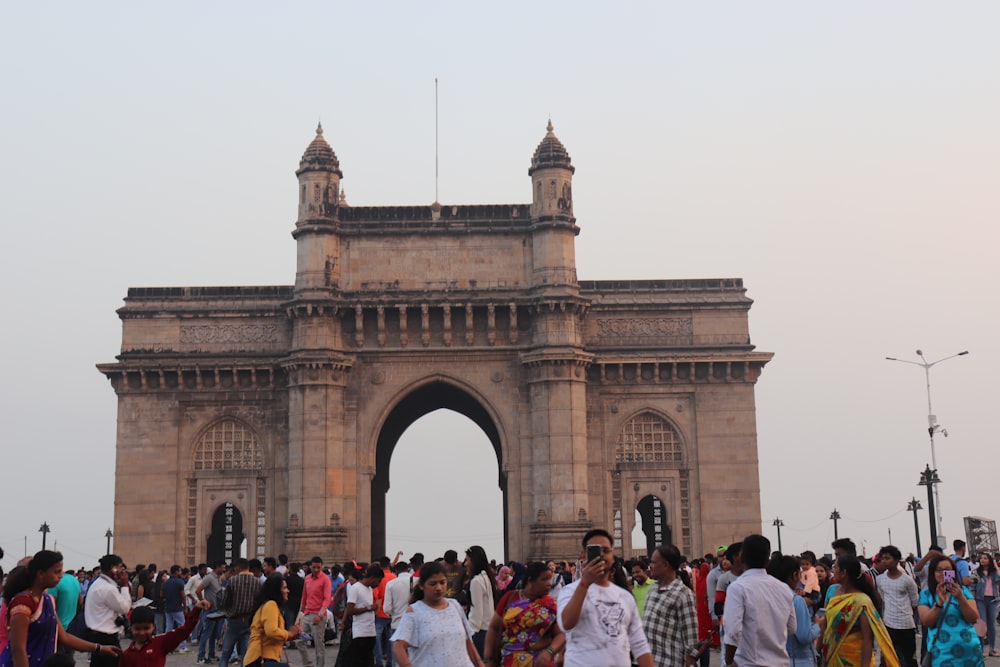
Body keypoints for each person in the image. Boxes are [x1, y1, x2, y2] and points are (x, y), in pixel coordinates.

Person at [1, 550, 121, 667]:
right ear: (41, 574)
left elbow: (64, 637)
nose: (61, 575)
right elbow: (18, 649)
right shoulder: (23, 603)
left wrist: (99, 648)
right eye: (56, 572)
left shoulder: (47, 600)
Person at [557, 529, 653, 667]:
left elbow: (640, 644)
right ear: (584, 555)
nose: (601, 554)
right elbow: (566, 624)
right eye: (595, 550)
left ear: (613, 556)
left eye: (606, 550)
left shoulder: (625, 597)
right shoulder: (569, 591)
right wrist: (585, 583)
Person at [391, 562, 484, 667]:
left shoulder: (455, 606)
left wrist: (480, 663)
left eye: (442, 582)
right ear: (422, 585)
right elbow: (398, 647)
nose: (439, 588)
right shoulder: (414, 612)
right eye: (433, 584)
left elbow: (468, 642)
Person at [722, 534, 795, 667]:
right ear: (767, 560)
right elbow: (792, 628)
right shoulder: (784, 588)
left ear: (742, 557)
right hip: (780, 663)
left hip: (749, 662)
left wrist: (729, 662)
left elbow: (733, 631)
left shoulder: (738, 587)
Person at [819, 555, 899, 667]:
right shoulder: (833, 591)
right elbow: (827, 625)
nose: (833, 570)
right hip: (830, 658)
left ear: (844, 572)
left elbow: (867, 640)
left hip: (853, 659)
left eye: (835, 567)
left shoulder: (862, 602)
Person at [484, 561, 564, 667]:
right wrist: (488, 659)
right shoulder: (510, 598)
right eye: (544, 579)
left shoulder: (551, 604)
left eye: (549, 579)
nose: (549, 583)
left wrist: (549, 652)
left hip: (540, 662)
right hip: (510, 661)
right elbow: (493, 628)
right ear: (530, 581)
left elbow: (561, 634)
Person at [917, 555, 983, 667]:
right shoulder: (926, 594)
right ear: (932, 572)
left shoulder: (963, 591)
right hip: (942, 654)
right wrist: (939, 603)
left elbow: (973, 618)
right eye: (939, 570)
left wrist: (960, 598)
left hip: (970, 653)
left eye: (948, 570)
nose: (943, 573)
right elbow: (926, 622)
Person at [641, 544, 700, 667]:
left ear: (665, 565)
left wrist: (689, 662)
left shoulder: (683, 594)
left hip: (669, 662)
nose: (650, 566)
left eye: (653, 562)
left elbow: (691, 637)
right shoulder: (652, 589)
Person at [120, 599, 210, 667]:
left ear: (153, 626)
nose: (142, 632)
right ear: (130, 628)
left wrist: (196, 610)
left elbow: (184, 631)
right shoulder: (126, 655)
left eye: (146, 628)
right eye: (137, 629)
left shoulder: (160, 643)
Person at [766, 555, 819, 667]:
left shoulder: (766, 597)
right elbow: (804, 636)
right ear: (795, 575)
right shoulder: (796, 600)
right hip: (798, 659)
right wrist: (818, 625)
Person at [83, 553, 133, 667]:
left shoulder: (98, 584)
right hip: (106, 637)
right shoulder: (108, 589)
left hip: (97, 635)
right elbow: (125, 607)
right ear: (113, 569)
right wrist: (125, 586)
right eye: (120, 567)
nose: (122, 571)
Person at [242, 575, 301, 667]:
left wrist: (292, 635)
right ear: (277, 590)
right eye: (284, 588)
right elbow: (271, 631)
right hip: (260, 658)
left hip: (264, 658)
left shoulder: (271, 605)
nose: (287, 591)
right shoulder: (271, 605)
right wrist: (289, 634)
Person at [875, 546, 919, 667]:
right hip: (889, 624)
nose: (884, 561)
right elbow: (883, 599)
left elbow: (915, 602)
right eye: (882, 558)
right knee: (888, 657)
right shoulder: (880, 580)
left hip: (906, 625)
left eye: (887, 558)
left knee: (910, 658)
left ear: (896, 560)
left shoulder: (907, 581)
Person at [218, 558, 264, 667]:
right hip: (250, 621)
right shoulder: (259, 582)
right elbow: (260, 602)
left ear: (238, 568)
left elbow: (225, 601)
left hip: (234, 620)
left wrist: (227, 611)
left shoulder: (232, 581)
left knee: (226, 653)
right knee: (246, 654)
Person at [343, 564, 383, 667]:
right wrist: (368, 608)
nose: (378, 584)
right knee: (358, 662)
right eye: (378, 581)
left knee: (369, 661)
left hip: (370, 631)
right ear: (373, 578)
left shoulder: (370, 589)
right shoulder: (356, 588)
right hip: (360, 633)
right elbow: (350, 610)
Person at [298, 557, 331, 667]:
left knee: (318, 645)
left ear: (322, 567)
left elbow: (327, 599)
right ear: (310, 567)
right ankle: (308, 664)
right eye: (314, 567)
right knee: (299, 640)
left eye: (318, 567)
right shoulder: (307, 578)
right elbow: (304, 597)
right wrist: (300, 615)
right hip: (307, 614)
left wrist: (320, 615)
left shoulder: (325, 579)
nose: (316, 569)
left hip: (318, 615)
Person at [465, 546, 497, 657]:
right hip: (488, 631)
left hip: (479, 633)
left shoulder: (476, 581)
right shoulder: (486, 577)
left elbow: (477, 613)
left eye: (467, 560)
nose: (465, 564)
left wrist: (469, 633)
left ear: (473, 561)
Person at [196, 561, 226, 665]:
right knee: (206, 634)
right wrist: (203, 602)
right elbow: (198, 590)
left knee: (214, 634)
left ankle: (211, 654)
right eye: (223, 567)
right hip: (210, 610)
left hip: (217, 610)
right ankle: (201, 656)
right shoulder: (209, 577)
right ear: (217, 567)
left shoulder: (218, 578)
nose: (224, 570)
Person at [382, 562, 412, 667]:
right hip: (414, 625)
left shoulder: (391, 584)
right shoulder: (417, 582)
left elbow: (387, 608)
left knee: (398, 659)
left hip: (398, 624)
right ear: (408, 569)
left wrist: (393, 613)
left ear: (396, 571)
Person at [974, 553, 1000, 657]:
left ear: (989, 560)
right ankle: (980, 651)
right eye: (981, 558)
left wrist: (996, 566)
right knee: (981, 624)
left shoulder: (993, 572)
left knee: (992, 625)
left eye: (985, 558)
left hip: (993, 599)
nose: (982, 560)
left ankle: (992, 649)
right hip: (980, 599)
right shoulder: (976, 572)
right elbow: (973, 586)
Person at [161, 566, 191, 654]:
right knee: (182, 626)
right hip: (177, 608)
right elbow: (183, 596)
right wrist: (185, 607)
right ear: (177, 572)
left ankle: (167, 646)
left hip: (168, 607)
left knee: (169, 627)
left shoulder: (166, 583)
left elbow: (161, 595)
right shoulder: (179, 582)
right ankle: (183, 646)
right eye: (180, 571)